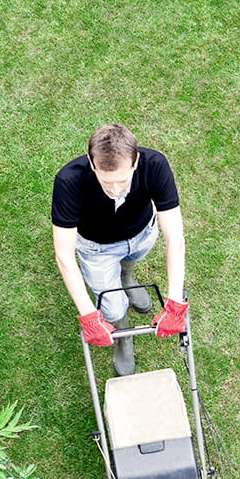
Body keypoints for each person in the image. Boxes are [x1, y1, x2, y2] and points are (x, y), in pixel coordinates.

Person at [51, 124, 188, 376]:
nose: (114, 189)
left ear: (135, 162)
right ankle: (124, 337)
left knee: (133, 258)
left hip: (142, 233)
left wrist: (175, 302)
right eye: (106, 181)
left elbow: (175, 238)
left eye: (122, 180)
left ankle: (126, 277)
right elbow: (64, 255)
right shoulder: (68, 181)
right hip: (97, 248)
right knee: (112, 309)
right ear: (92, 164)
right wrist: (88, 316)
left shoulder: (155, 165)